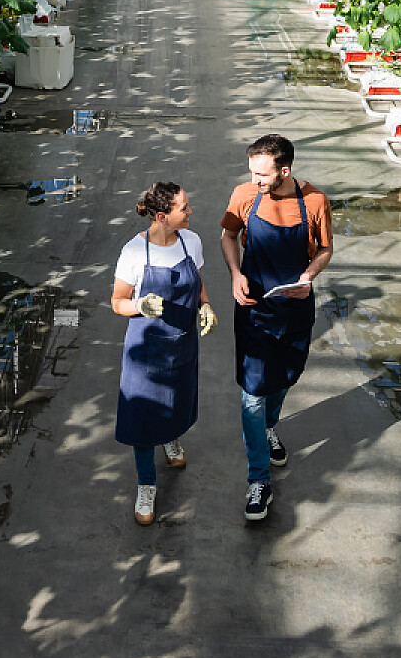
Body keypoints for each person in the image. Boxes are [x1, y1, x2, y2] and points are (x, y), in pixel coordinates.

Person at [219, 133, 333, 522]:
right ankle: (259, 480)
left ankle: (270, 427)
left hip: (295, 307)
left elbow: (325, 249)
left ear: (285, 171)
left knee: (285, 376)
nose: (255, 181)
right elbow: (228, 235)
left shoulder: (315, 201)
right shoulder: (244, 195)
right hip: (252, 308)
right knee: (252, 393)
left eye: (263, 174)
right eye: (251, 172)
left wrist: (308, 277)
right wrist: (235, 274)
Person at [112, 181, 217, 525]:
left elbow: (197, 279)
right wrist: (140, 305)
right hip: (146, 351)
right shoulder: (133, 253)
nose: (190, 212)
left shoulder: (192, 241)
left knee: (176, 401)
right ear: (162, 216)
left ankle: (170, 439)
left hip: (183, 343)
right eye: (184, 208)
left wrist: (205, 305)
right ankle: (146, 485)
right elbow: (117, 302)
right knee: (142, 417)